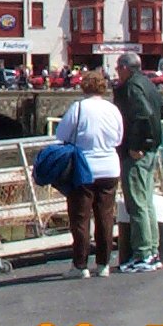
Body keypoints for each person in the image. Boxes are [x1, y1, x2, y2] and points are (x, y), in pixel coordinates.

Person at [47, 74, 128, 278]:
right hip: (110, 167)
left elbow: (61, 135)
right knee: (105, 217)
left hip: (84, 168)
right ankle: (103, 264)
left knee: (81, 218)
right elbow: (118, 138)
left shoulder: (79, 108)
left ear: (84, 87)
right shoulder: (113, 109)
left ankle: (80, 265)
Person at [109, 65, 163, 273]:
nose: (117, 71)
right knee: (146, 202)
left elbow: (143, 114)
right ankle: (152, 251)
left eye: (118, 67)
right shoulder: (147, 83)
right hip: (152, 150)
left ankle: (143, 254)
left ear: (126, 68)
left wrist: (137, 145)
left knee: (136, 202)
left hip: (138, 152)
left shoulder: (132, 87)